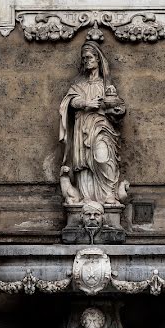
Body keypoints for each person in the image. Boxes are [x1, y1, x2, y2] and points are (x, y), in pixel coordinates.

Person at [59, 41, 127, 206]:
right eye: (84, 59)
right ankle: (87, 198)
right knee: (85, 164)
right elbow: (69, 101)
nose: (86, 61)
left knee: (103, 158)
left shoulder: (106, 86)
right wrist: (86, 103)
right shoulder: (79, 85)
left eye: (89, 57)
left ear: (98, 59)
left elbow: (117, 105)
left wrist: (118, 111)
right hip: (83, 128)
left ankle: (108, 193)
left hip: (103, 128)